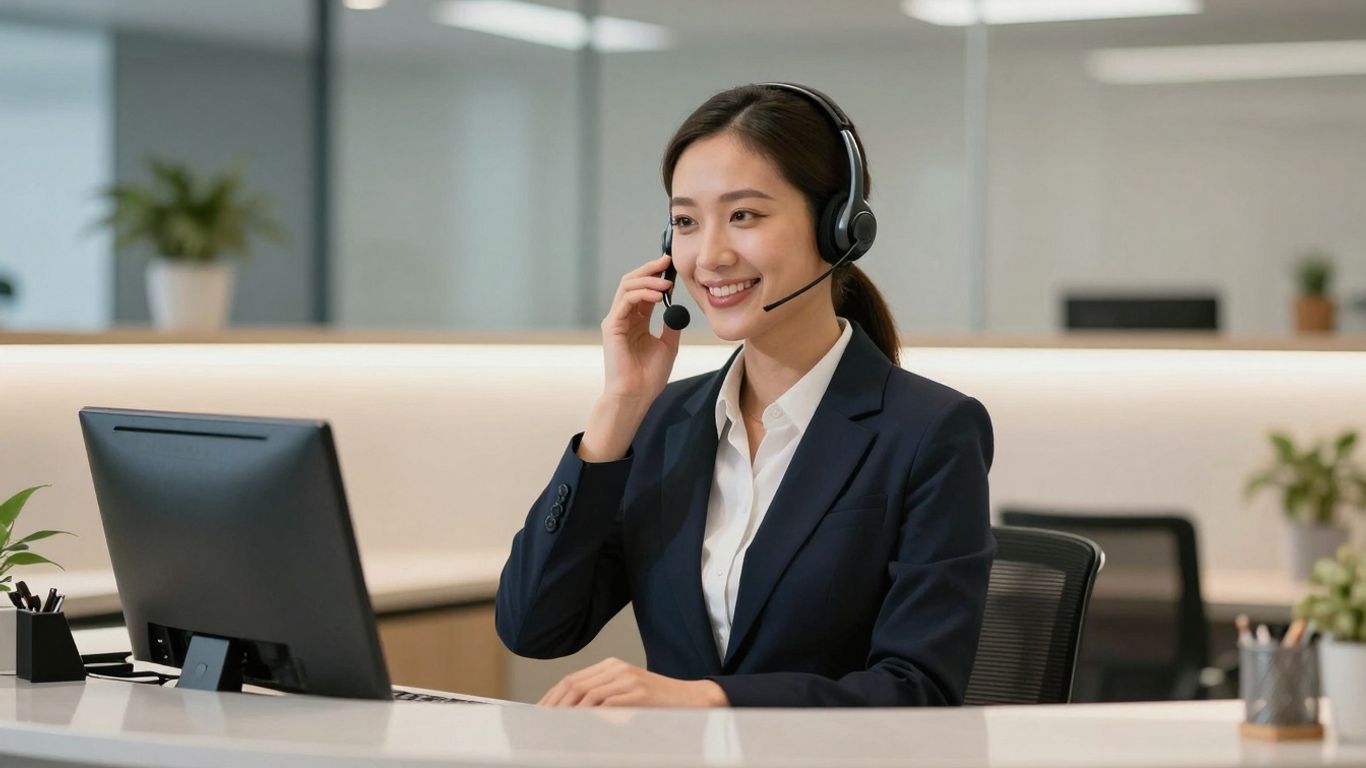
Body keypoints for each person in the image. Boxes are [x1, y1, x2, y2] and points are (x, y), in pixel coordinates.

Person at [495, 82, 994, 708]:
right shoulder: (667, 421)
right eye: (685, 222)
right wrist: (619, 407)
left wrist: (712, 700)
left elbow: (919, 689)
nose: (710, 255)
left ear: (838, 226)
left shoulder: (930, 431)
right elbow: (534, 627)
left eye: (745, 215)